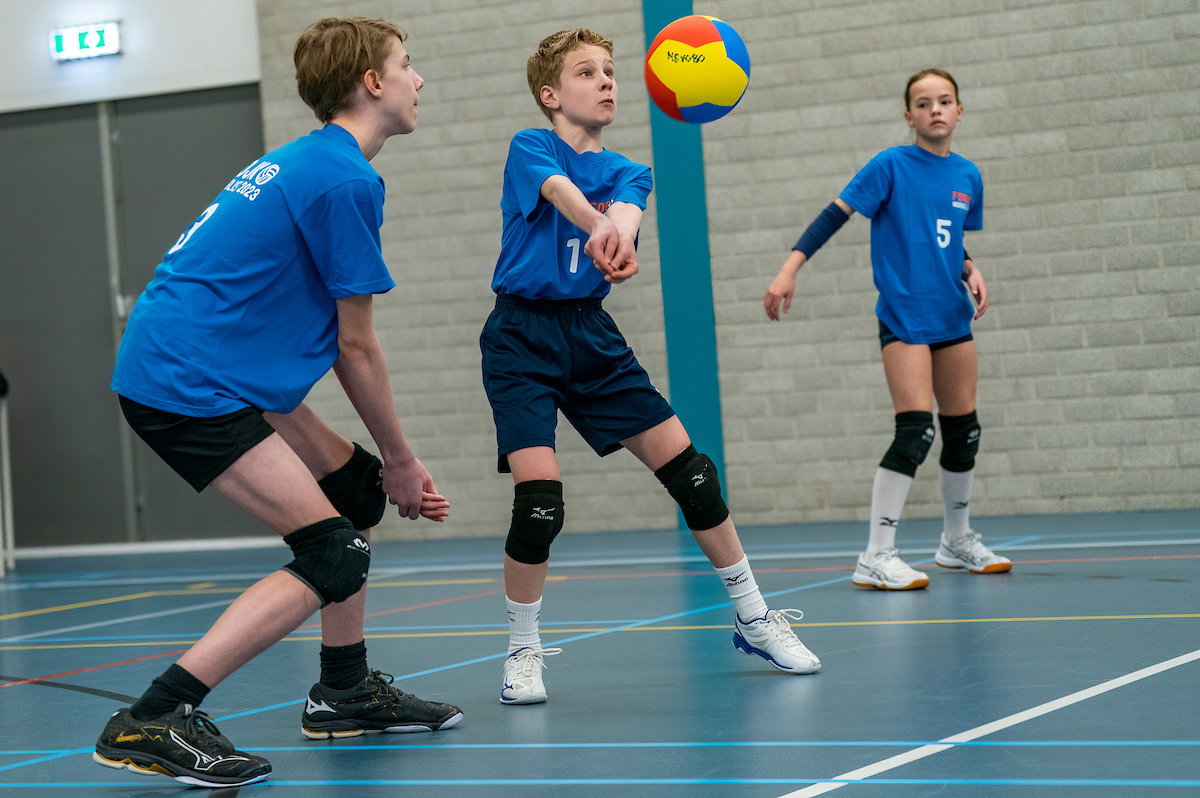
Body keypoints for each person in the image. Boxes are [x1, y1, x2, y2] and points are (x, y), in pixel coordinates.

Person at [93, 17, 462, 788]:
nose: (419, 78)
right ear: (372, 82)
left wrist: (380, 470)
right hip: (187, 381)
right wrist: (403, 460)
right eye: (407, 64)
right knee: (333, 551)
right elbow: (355, 346)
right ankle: (153, 717)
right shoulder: (344, 179)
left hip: (212, 366)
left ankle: (344, 692)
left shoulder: (307, 161)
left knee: (352, 492)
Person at [480, 28, 821, 706]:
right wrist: (598, 226)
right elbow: (562, 194)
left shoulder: (632, 170)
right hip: (520, 337)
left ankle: (754, 617)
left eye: (610, 70)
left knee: (695, 476)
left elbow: (627, 214)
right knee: (540, 503)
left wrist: (621, 237)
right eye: (586, 72)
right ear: (551, 94)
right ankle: (522, 649)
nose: (606, 80)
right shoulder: (531, 146)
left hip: (590, 334)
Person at [764, 68, 1012, 591]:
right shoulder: (890, 166)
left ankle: (956, 541)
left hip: (951, 315)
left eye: (944, 100)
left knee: (964, 430)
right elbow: (835, 215)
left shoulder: (968, 175)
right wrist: (790, 268)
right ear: (909, 116)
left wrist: (969, 267)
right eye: (923, 103)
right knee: (916, 431)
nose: (935, 109)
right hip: (904, 315)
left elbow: (942, 236)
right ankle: (876, 555)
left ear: (959, 111)